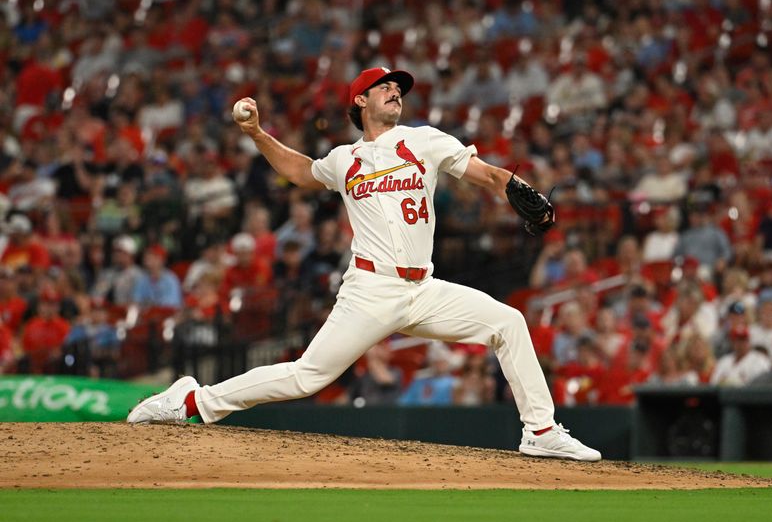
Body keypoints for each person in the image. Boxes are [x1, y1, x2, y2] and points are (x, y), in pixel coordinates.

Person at [127, 67, 601, 461]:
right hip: (370, 290)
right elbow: (298, 171)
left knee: (509, 321)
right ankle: (192, 400)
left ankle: (539, 431)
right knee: (306, 376)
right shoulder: (344, 160)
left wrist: (515, 188)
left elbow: (489, 175)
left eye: (399, 88)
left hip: (425, 289)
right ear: (359, 100)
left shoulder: (425, 141)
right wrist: (256, 133)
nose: (396, 91)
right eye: (385, 87)